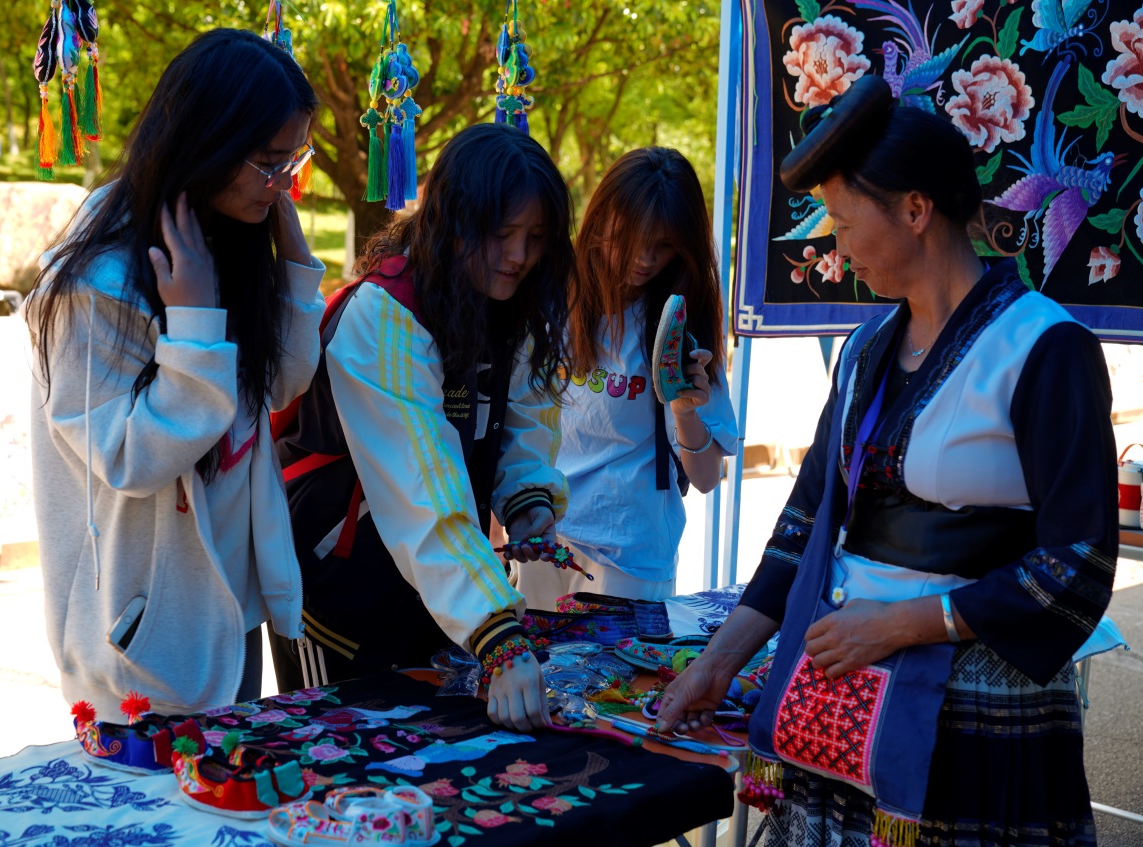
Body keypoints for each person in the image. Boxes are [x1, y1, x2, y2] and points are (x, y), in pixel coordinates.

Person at [657, 77, 1115, 846]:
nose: (834, 248)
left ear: (914, 209)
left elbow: (1077, 561)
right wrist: (719, 661)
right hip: (846, 704)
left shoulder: (1043, 347)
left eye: (842, 223)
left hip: (973, 717)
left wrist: (901, 624)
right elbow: (802, 525)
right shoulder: (865, 349)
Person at [26, 29, 325, 722]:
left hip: (227, 605)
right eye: (268, 162)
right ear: (208, 141)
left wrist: (294, 264)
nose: (282, 182)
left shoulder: (226, 239)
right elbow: (130, 457)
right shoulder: (96, 283)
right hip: (142, 635)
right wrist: (192, 323)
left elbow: (281, 385)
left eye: (293, 160)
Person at [271, 123, 574, 733]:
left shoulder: (508, 302)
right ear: (454, 220)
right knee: (345, 767)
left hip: (438, 598)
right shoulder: (384, 316)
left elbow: (525, 421)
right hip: (343, 600)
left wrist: (528, 502)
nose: (519, 256)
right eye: (501, 234)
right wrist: (498, 635)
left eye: (536, 238)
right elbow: (422, 493)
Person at [516, 147, 738, 609]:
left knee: (614, 663)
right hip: (544, 537)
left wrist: (685, 412)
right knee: (536, 658)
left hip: (629, 557)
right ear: (599, 222)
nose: (643, 259)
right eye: (626, 238)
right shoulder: (551, 298)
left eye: (663, 245)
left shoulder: (679, 322)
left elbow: (705, 479)